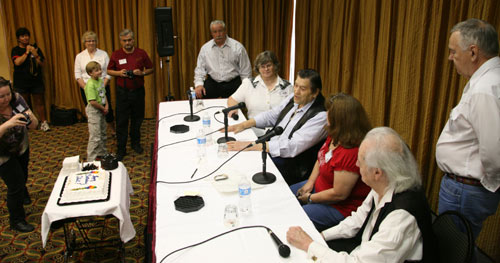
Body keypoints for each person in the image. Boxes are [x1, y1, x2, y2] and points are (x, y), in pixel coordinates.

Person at [287, 127, 435, 262]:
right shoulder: (386, 181)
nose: (357, 165)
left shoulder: (401, 217)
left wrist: (309, 245)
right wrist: (322, 236)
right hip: (363, 249)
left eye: (361, 161)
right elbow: (357, 220)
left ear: (377, 172)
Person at [436, 18, 500, 241]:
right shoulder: (487, 81)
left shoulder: (485, 88)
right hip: (466, 189)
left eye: (453, 51)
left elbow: (494, 151)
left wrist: (487, 184)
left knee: (452, 251)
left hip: (465, 190)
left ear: (473, 52)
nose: (450, 58)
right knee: (460, 249)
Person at [226, 69, 327, 185]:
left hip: (288, 165)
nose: (296, 91)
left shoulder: (321, 116)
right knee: (236, 161)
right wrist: (243, 124)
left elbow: (292, 146)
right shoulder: (294, 98)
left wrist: (254, 145)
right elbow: (273, 115)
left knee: (245, 174)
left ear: (315, 93)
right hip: (271, 148)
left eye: (302, 89)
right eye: (295, 85)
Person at [290, 93, 371, 231]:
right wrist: (310, 183)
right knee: (284, 197)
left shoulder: (351, 152)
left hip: (339, 207)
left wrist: (310, 198)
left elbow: (339, 194)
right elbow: (320, 159)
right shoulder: (335, 134)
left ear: (340, 119)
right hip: (319, 188)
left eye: (329, 113)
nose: (326, 115)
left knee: (294, 219)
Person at [107, 29, 153, 161]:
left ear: (133, 40)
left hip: (138, 91)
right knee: (121, 121)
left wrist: (142, 73)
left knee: (137, 119)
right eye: (124, 40)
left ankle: (135, 143)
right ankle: (121, 149)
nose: (127, 43)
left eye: (129, 40)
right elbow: (109, 70)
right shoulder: (116, 54)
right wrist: (119, 73)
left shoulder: (141, 53)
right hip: (123, 92)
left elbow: (151, 68)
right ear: (121, 41)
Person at [0, 76, 38, 232]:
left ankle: (23, 193)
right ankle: (16, 220)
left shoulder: (17, 99)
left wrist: (31, 118)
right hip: (2, 153)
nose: (5, 99)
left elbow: (34, 124)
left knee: (22, 174)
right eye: (1, 96)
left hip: (20, 145)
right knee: (15, 184)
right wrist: (9, 123)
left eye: (7, 94)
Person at [227, 50, 293, 136]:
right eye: (262, 66)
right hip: (253, 131)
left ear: (275, 66)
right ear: (258, 68)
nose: (266, 69)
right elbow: (232, 99)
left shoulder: (287, 87)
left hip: (279, 133)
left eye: (269, 65)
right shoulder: (248, 84)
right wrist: (233, 109)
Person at [194, 20, 251, 99]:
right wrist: (199, 85)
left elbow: (246, 72)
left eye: (220, 31)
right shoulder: (205, 49)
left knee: (237, 105)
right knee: (199, 95)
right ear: (211, 33)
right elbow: (200, 70)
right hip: (213, 82)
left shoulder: (238, 47)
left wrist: (246, 87)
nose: (218, 34)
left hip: (233, 83)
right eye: (215, 32)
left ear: (225, 31)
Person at [74, 31, 115, 136]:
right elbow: (78, 75)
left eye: (93, 41)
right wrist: (87, 88)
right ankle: (95, 131)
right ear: (84, 42)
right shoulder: (80, 56)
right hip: (86, 88)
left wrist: (101, 86)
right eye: (88, 41)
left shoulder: (103, 54)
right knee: (92, 111)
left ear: (96, 42)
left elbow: (108, 72)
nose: (91, 43)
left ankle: (113, 130)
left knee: (107, 110)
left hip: (103, 86)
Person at [11, 27, 49, 131]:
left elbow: (42, 64)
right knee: (24, 104)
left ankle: (44, 123)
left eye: (27, 35)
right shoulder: (15, 50)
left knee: (39, 102)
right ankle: (27, 124)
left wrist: (36, 55)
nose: (25, 38)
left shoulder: (35, 48)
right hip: (21, 82)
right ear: (18, 39)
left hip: (36, 81)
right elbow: (17, 62)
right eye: (22, 36)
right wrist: (27, 52)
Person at [84, 62, 108, 161]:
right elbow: (92, 101)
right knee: (95, 136)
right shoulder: (90, 85)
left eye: (100, 69)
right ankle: (91, 160)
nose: (100, 72)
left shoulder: (100, 81)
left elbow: (103, 94)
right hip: (94, 110)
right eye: (97, 70)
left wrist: (106, 105)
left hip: (101, 108)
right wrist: (103, 108)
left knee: (102, 133)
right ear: (90, 73)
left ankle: (102, 153)